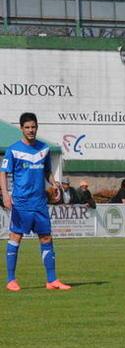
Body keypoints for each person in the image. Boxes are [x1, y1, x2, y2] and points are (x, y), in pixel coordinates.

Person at [1, 112, 71, 291]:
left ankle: (52, 280)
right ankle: (11, 280)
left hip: (39, 202)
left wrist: (54, 184)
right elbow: (3, 173)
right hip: (21, 202)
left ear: (37, 127)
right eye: (27, 127)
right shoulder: (13, 149)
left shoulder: (44, 149)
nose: (31, 130)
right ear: (21, 129)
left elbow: (47, 171)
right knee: (16, 236)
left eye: (33, 127)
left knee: (46, 237)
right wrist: (6, 195)